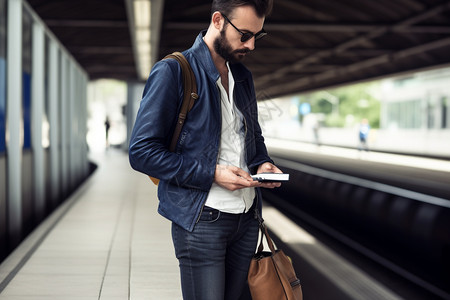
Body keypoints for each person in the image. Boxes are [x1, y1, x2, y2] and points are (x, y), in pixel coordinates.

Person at [128, 0, 281, 299]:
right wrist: (212, 173)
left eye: (257, 36)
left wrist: (263, 164)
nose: (251, 45)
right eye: (244, 35)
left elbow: (253, 138)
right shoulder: (173, 71)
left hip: (248, 217)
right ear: (218, 21)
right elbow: (142, 151)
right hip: (202, 220)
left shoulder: (243, 77)